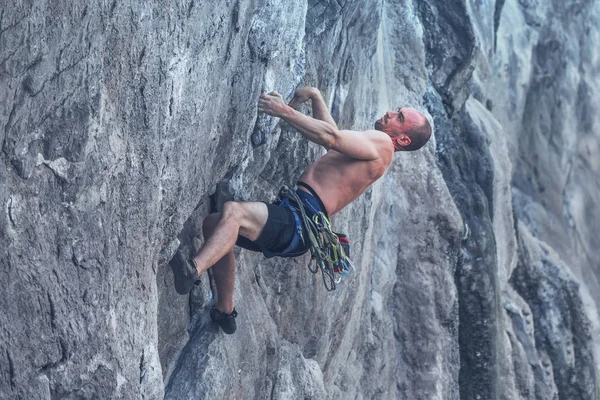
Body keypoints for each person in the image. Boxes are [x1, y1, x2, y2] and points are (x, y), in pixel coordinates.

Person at [171, 87, 432, 334]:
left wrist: (283, 110)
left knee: (234, 212)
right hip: (300, 227)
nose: (389, 113)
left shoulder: (383, 144)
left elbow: (331, 137)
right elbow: (334, 140)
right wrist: (316, 98)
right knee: (214, 224)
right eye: (397, 110)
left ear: (403, 138)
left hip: (298, 220)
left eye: (399, 117)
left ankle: (192, 271)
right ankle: (225, 312)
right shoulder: (377, 153)